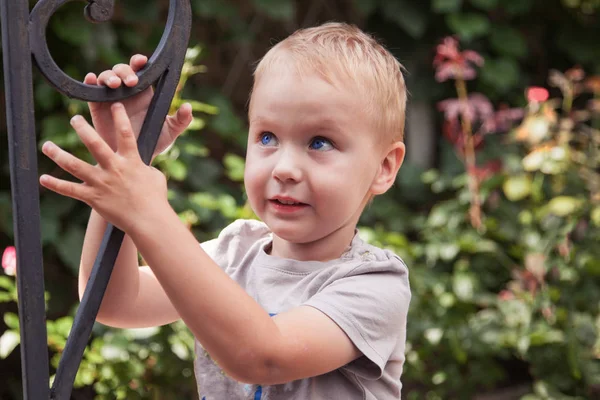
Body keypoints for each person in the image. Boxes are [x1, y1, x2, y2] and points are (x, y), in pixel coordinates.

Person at [39, 22, 411, 399]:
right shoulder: (234, 253)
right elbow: (114, 302)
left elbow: (262, 357)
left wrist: (149, 213)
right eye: (267, 137)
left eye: (320, 142)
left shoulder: (375, 285)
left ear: (384, 167)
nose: (284, 168)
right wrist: (127, 158)